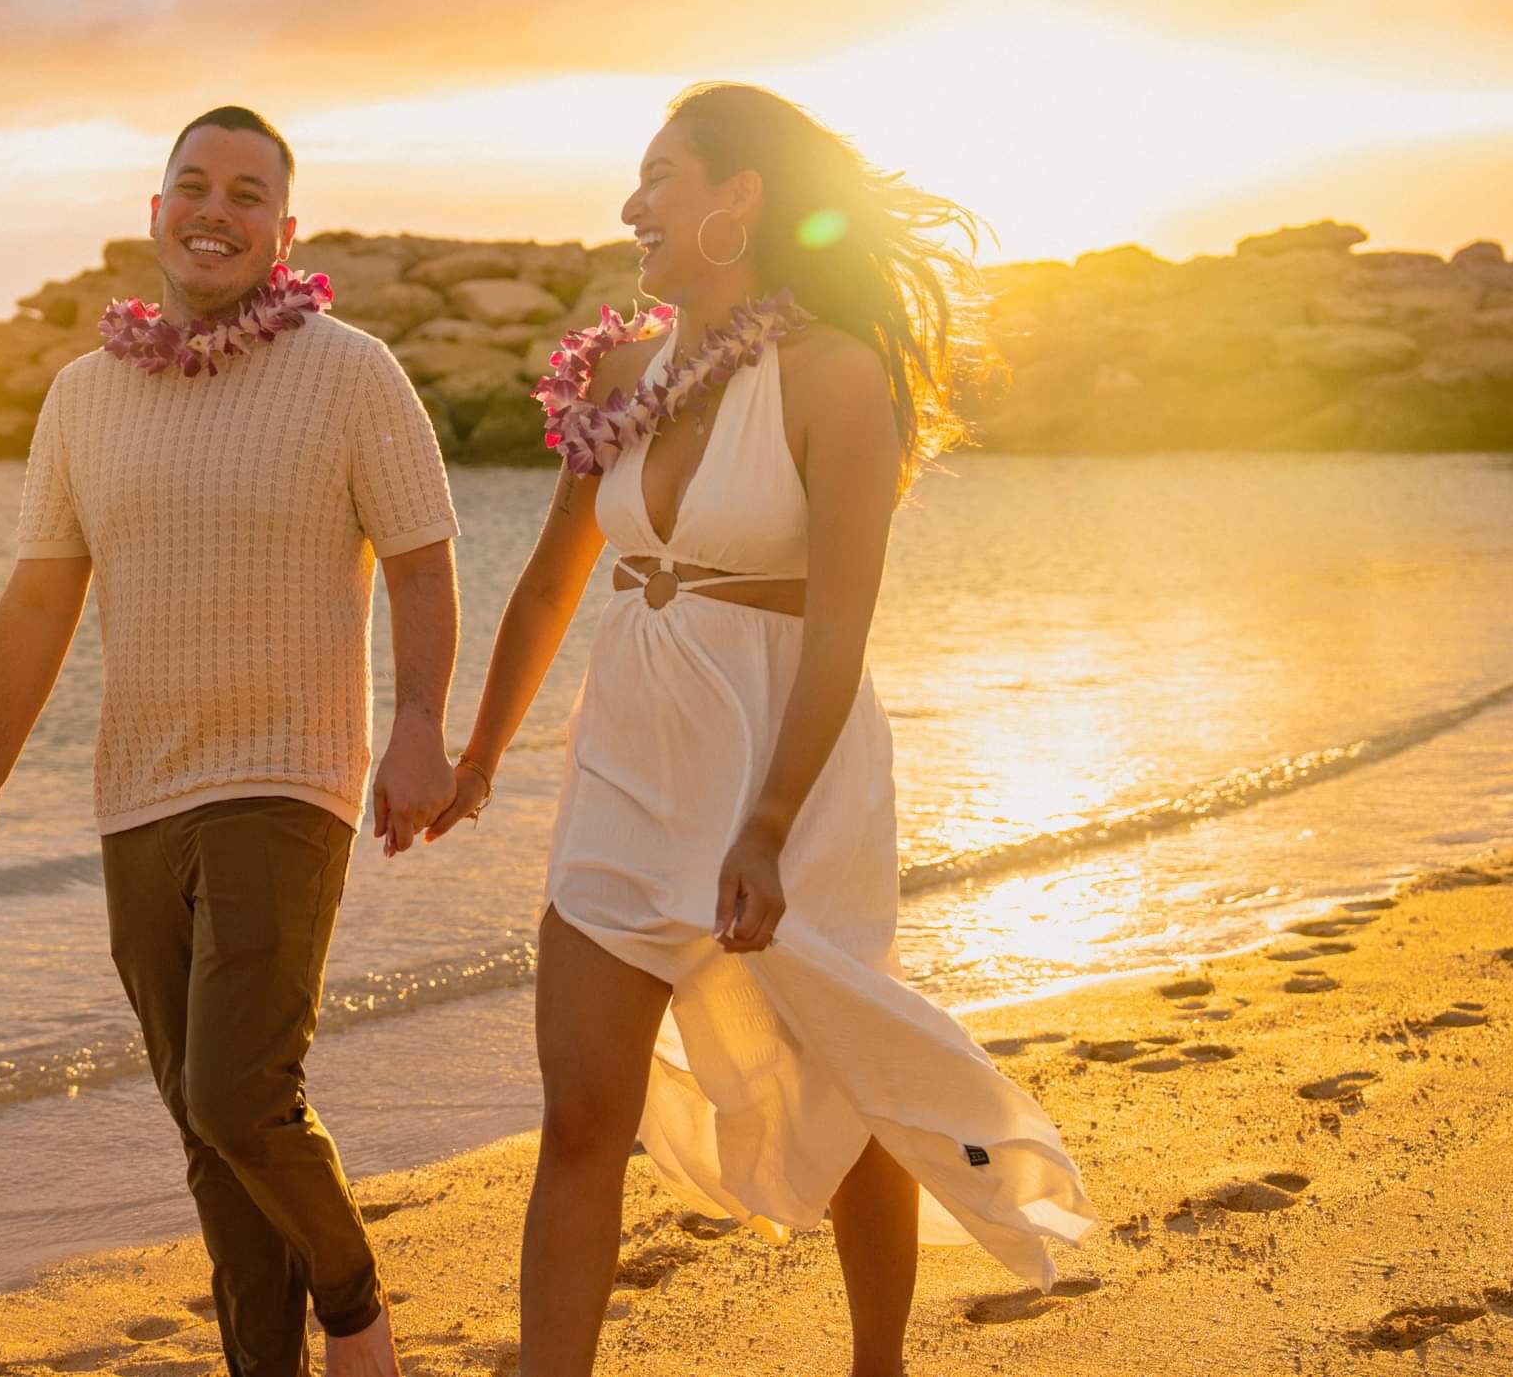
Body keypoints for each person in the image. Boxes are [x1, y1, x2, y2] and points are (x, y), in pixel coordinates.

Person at [422, 83, 1095, 1375]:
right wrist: (481, 756)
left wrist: (770, 823)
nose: (631, 203)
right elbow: (556, 578)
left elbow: (840, 626)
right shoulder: (617, 372)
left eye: (659, 176)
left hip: (790, 763)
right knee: (583, 1111)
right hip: (630, 761)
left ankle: (876, 1362)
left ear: (738, 199)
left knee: (843, 1079)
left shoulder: (836, 378)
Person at [0, 105, 461, 1377]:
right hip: (137, 793)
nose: (214, 210)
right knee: (202, 1123)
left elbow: (421, 561)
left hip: (288, 777)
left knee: (238, 1092)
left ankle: (354, 1309)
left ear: (286, 230)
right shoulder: (82, 395)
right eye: (193, 186)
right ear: (156, 210)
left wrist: (420, 728)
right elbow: (39, 602)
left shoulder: (350, 371)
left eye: (245, 193)